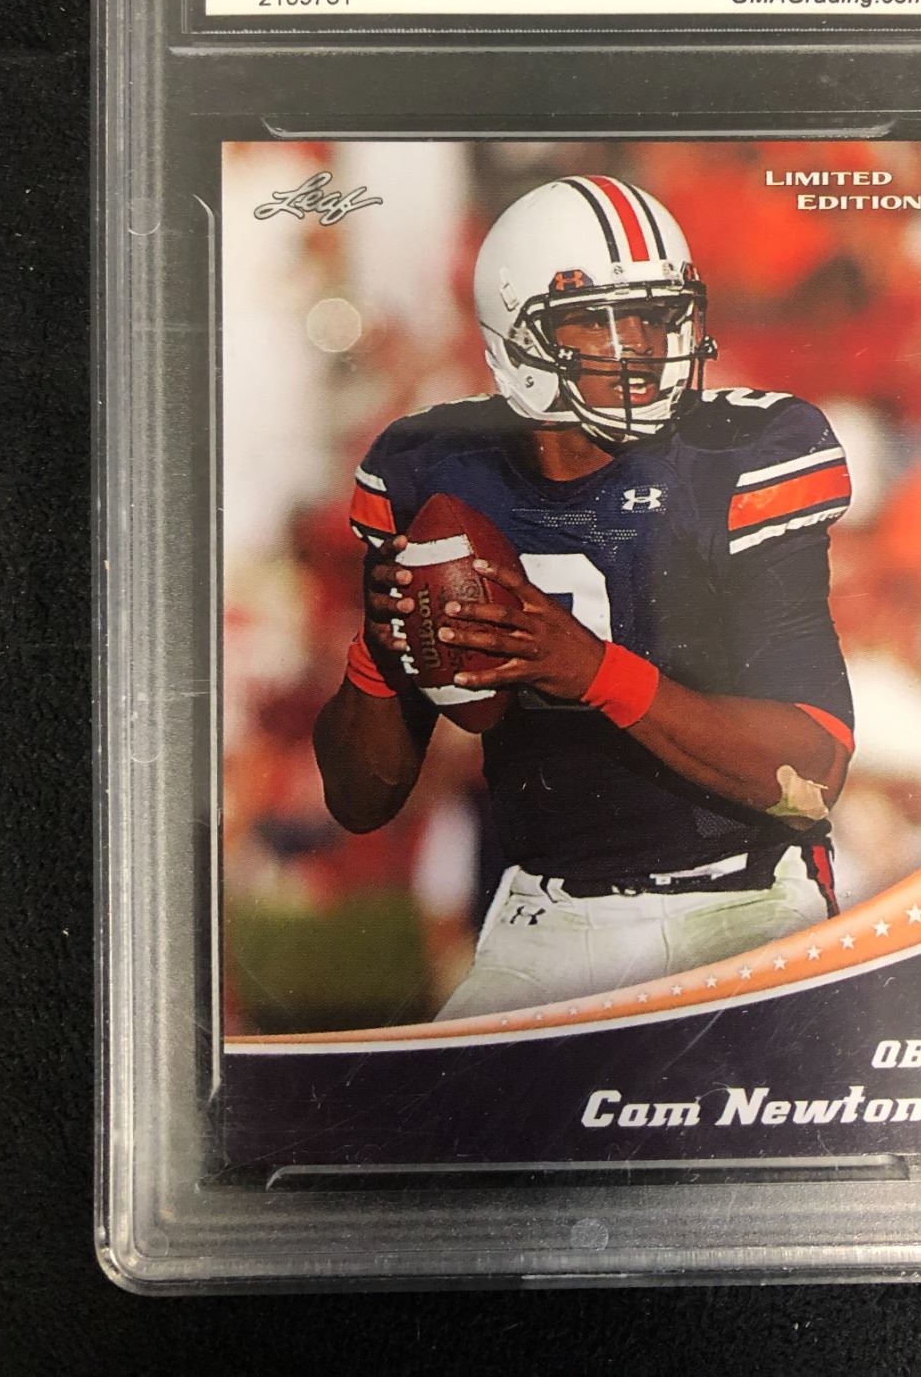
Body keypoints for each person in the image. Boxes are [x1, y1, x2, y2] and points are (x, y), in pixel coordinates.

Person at [313, 174, 855, 1019]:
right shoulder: (433, 473)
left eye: (656, 315)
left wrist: (593, 670)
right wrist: (382, 653)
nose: (639, 346)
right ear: (517, 335)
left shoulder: (738, 458)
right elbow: (357, 802)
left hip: (743, 905)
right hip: (546, 921)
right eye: (597, 321)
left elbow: (814, 771)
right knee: (437, 1103)